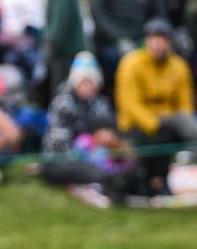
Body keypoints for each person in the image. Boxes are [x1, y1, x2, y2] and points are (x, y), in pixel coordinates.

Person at [115, 18, 197, 196]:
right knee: (163, 133)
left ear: (169, 42)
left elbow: (185, 105)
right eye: (153, 38)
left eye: (162, 39)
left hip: (171, 121)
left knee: (176, 124)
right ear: (146, 41)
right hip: (137, 124)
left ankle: (162, 178)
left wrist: (170, 123)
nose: (157, 44)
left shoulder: (178, 66)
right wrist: (154, 124)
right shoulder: (131, 63)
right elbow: (129, 104)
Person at [39, 51, 136, 199]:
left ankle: (119, 183)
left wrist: (111, 143)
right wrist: (89, 148)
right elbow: (58, 142)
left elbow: (112, 131)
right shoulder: (62, 103)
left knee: (130, 164)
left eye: (91, 82)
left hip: (100, 155)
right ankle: (110, 185)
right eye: (83, 82)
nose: (87, 87)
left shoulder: (101, 104)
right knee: (92, 171)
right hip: (62, 159)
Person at [37, 0, 88, 102]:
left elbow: (61, 14)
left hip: (65, 48)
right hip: (66, 46)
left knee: (61, 90)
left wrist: (52, 41)